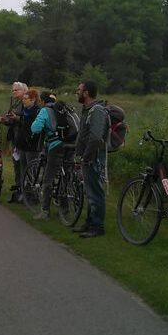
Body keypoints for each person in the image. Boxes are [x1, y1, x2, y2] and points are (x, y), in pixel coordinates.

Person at [74, 80, 110, 238]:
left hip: (93, 157)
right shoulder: (87, 109)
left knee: (96, 192)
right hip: (88, 157)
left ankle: (97, 226)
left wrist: (87, 156)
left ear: (86, 92)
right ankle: (89, 222)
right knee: (89, 192)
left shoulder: (97, 111)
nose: (77, 92)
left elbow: (95, 137)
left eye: (79, 90)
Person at [30, 92, 64, 220]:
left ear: (43, 101)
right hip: (70, 144)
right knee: (65, 175)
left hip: (55, 145)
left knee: (48, 179)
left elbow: (36, 128)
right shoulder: (62, 109)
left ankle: (45, 211)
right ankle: (64, 208)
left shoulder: (45, 110)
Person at [0, 81, 28, 203]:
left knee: (23, 165)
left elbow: (28, 120)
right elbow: (12, 121)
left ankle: (25, 192)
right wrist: (5, 120)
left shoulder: (27, 103)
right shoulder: (15, 103)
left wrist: (16, 118)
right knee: (16, 164)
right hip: (14, 138)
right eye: (13, 90)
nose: (14, 92)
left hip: (23, 139)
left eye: (16, 90)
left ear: (24, 91)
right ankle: (19, 189)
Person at [16, 88, 43, 204]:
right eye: (23, 99)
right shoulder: (24, 111)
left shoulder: (37, 112)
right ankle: (25, 193)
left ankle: (35, 195)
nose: (23, 101)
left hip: (32, 146)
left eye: (26, 99)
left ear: (33, 100)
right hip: (22, 145)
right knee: (23, 170)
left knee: (32, 171)